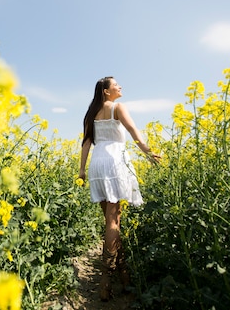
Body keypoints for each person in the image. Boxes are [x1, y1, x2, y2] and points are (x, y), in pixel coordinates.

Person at [78, 76, 159, 301]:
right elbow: (133, 131)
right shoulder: (118, 107)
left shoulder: (91, 112)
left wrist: (81, 171)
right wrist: (148, 152)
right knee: (113, 221)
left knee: (111, 220)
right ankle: (106, 281)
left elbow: (86, 143)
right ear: (106, 91)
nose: (120, 87)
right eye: (116, 85)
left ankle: (124, 276)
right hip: (115, 161)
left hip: (97, 163)